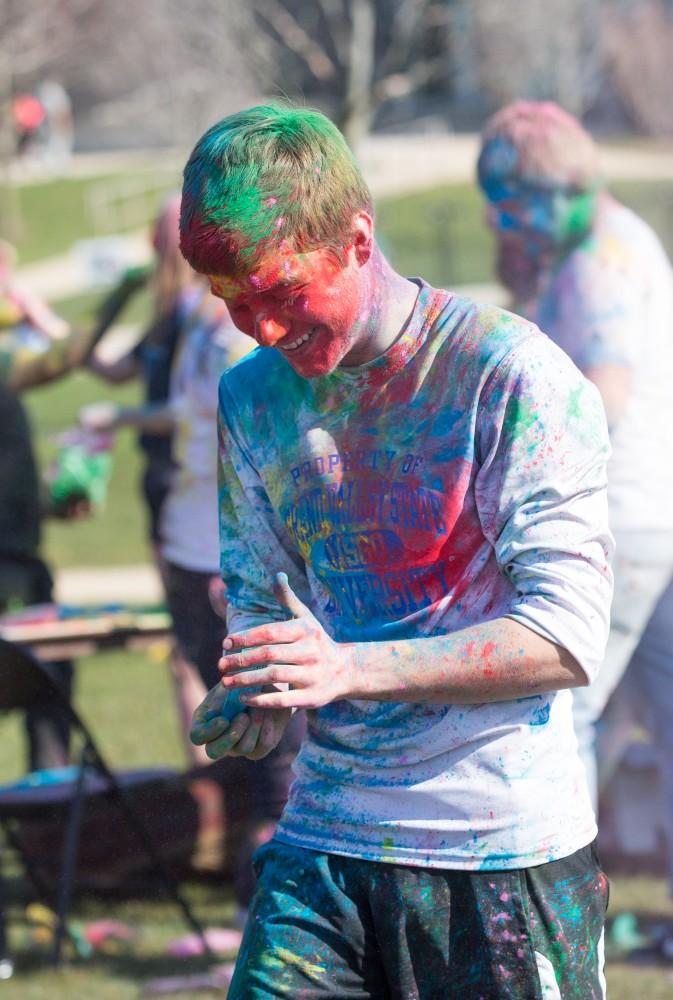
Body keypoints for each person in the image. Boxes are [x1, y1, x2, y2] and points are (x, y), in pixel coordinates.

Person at [181, 103, 613, 998]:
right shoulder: (251, 400)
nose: (260, 329)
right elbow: (265, 613)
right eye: (232, 301)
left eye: (281, 292)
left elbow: (566, 637)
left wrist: (346, 667)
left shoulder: (507, 374)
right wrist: (259, 695)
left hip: (499, 848)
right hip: (326, 839)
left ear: (356, 238)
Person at [477, 101, 673, 911]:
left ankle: (559, 912)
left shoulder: (599, 261)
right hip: (647, 512)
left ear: (553, 183)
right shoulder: (601, 245)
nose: (504, 219)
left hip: (612, 521)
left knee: (564, 717)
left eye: (509, 200)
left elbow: (603, 397)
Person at [0, 240, 108, 769]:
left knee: (48, 693)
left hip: (19, 558)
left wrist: (47, 503)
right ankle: (49, 822)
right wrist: (122, 295)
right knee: (43, 687)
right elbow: (61, 359)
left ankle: (47, 817)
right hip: (9, 574)